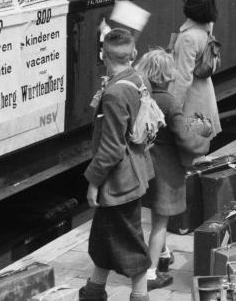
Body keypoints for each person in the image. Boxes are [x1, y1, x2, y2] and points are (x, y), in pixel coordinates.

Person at [80, 29, 153, 301]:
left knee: (130, 244)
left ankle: (139, 295)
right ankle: (94, 291)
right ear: (133, 54)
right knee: (103, 238)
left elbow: (111, 148)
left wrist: (93, 182)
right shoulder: (138, 80)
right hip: (133, 173)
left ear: (103, 56)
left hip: (119, 183)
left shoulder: (114, 94)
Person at [136, 49, 209, 290]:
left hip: (145, 166)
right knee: (160, 223)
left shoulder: (140, 97)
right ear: (167, 75)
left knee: (155, 215)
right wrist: (203, 139)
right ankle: (150, 272)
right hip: (166, 171)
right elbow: (185, 139)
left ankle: (164, 254)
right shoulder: (170, 102)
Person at [170, 0, 222, 138]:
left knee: (189, 144)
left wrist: (174, 110)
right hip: (204, 93)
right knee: (201, 143)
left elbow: (183, 78)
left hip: (191, 100)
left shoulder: (188, 38)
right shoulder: (207, 28)